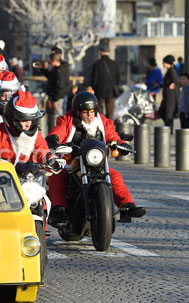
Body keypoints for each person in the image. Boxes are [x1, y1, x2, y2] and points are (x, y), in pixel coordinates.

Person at [46, 92, 146, 223]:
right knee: (57, 176)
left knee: (114, 176)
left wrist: (121, 144)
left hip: (95, 162)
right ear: (77, 112)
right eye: (85, 111)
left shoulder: (102, 122)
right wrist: (54, 138)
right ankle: (59, 209)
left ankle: (127, 206)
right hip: (72, 161)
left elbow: (112, 135)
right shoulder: (67, 120)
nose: (89, 115)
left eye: (92, 111)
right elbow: (60, 129)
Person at [0, 90, 60, 169]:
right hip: (0, 182)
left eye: (30, 120)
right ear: (12, 119)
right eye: (24, 120)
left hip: (30, 181)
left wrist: (51, 158)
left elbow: (42, 150)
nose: (28, 124)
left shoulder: (35, 134)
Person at [34, 47, 71, 124]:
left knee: (58, 116)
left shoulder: (61, 69)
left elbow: (60, 86)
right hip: (55, 95)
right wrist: (42, 69)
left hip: (59, 96)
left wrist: (55, 99)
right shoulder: (56, 68)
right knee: (54, 115)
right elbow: (51, 76)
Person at [91, 47, 120, 120]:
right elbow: (118, 77)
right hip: (111, 90)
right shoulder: (114, 63)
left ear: (101, 52)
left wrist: (94, 87)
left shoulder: (97, 63)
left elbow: (94, 78)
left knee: (99, 107)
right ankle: (109, 124)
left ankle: (101, 122)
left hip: (99, 89)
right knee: (110, 109)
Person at [159, 55, 179, 134]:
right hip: (167, 95)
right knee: (164, 112)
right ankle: (168, 128)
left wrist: (172, 84)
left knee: (168, 113)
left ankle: (169, 130)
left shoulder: (172, 70)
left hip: (170, 96)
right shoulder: (170, 70)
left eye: (164, 62)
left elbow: (175, 80)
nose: (163, 64)